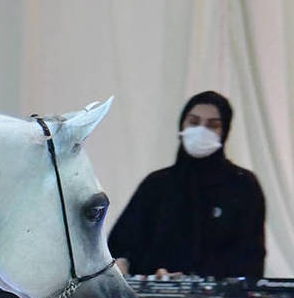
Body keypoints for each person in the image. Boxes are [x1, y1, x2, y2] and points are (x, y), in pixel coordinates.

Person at [108, 90, 266, 281]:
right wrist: (123, 264)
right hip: (155, 296)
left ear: (224, 132)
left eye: (213, 125)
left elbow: (250, 258)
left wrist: (199, 279)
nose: (201, 130)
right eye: (193, 122)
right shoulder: (157, 184)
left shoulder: (243, 186)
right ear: (182, 125)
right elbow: (120, 243)